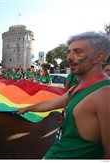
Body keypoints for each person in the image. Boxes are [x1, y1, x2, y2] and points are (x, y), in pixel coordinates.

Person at [17, 31, 110, 159]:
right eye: (69, 52)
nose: (69, 57)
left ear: (99, 57)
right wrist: (28, 108)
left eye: (78, 52)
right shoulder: (75, 88)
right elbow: (51, 103)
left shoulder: (105, 94)